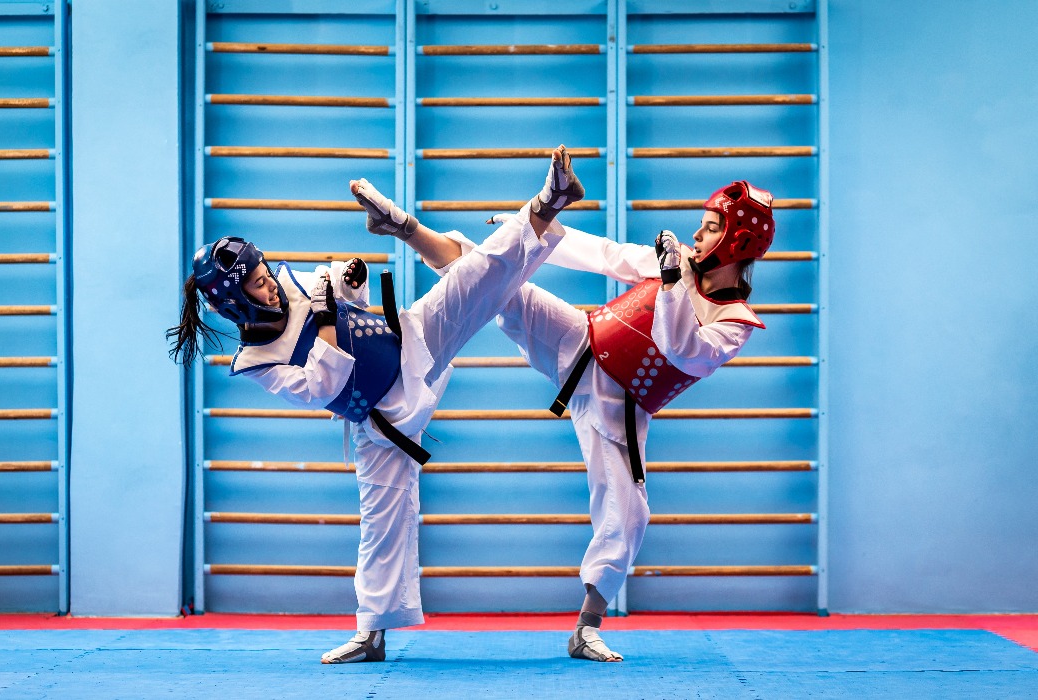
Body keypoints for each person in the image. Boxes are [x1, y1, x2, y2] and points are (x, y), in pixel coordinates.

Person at [167, 146, 585, 664]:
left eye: (265, 272)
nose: (270, 283)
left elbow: (352, 291)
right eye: (257, 283)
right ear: (235, 303)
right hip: (381, 420)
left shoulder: (294, 282)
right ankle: (372, 633)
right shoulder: (256, 360)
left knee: (476, 275)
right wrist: (322, 312)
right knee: (383, 523)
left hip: (411, 342)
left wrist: (350, 273)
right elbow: (322, 384)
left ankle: (549, 202)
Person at [486, 180, 776, 661]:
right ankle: (408, 229)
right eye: (701, 228)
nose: (696, 237)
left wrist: (670, 284)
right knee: (499, 283)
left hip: (618, 405)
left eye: (709, 229)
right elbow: (606, 255)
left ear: (735, 244)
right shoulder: (677, 262)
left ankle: (586, 627)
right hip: (579, 343)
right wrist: (528, 232)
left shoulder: (736, 321)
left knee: (630, 514)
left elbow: (683, 349)